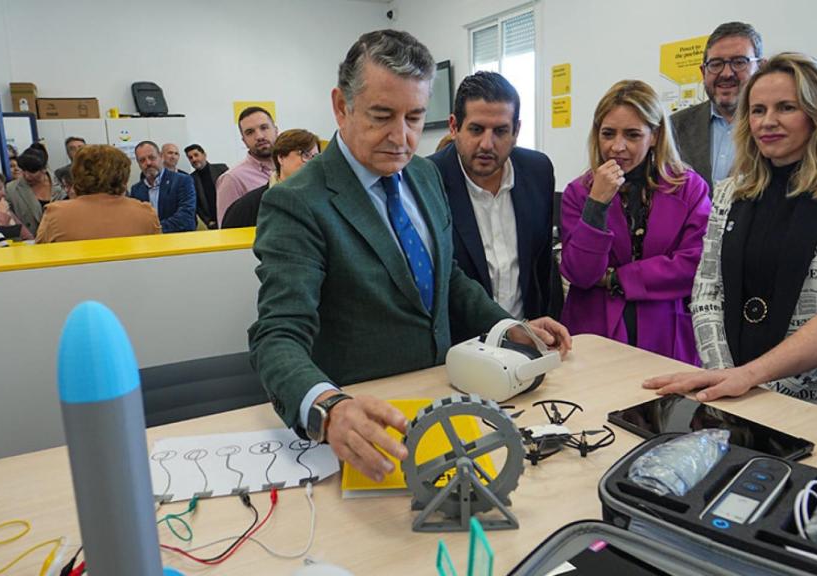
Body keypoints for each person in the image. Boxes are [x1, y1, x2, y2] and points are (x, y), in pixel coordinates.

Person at [248, 29, 571, 483]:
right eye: (382, 116)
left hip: (446, 404)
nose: (401, 138)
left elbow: (449, 279)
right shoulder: (299, 201)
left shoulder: (423, 175)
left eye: (416, 117)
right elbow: (277, 335)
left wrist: (505, 327)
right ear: (342, 106)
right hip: (363, 426)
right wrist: (329, 408)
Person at [647, 53, 817, 420]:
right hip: (734, 395)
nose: (768, 122)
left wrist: (761, 384)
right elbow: (707, 290)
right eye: (758, 110)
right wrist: (726, 374)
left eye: (786, 107)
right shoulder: (731, 191)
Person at [560, 80, 711, 364]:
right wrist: (597, 204)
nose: (617, 147)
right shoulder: (579, 192)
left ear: (654, 135)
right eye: (608, 134)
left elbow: (696, 264)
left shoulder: (690, 188)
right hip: (595, 329)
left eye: (632, 135)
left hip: (664, 330)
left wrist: (617, 278)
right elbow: (580, 274)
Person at [429, 71, 556, 339]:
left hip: (529, 337)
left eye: (500, 131)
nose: (487, 144)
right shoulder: (427, 178)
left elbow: (543, 264)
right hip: (459, 347)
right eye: (476, 129)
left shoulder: (538, 170)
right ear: (454, 127)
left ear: (517, 131)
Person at [671, 22, 765, 191]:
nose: (727, 73)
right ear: (703, 72)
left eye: (739, 62)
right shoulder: (674, 127)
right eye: (715, 64)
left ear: (761, 68)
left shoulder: (775, 127)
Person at [36, 145, 161, 244]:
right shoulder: (146, 214)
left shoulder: (55, 215)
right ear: (124, 176)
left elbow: (40, 261)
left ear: (76, 174)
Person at [222, 129, 320, 229]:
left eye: (315, 157)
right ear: (281, 158)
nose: (311, 162)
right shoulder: (247, 207)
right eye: (305, 155)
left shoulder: (322, 200)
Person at [216, 107, 278, 224]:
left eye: (264, 128)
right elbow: (227, 231)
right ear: (243, 140)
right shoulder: (232, 179)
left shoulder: (292, 169)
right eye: (250, 132)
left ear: (276, 130)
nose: (259, 136)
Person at [128, 141, 197, 233]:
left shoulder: (182, 181)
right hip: (149, 243)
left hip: (179, 240)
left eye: (152, 157)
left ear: (161, 156)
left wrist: (156, 229)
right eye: (142, 160)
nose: (148, 163)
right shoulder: (136, 190)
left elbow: (186, 216)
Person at [5, 144, 65, 236]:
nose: (26, 175)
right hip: (29, 243)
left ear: (44, 169)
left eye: (32, 171)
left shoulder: (63, 184)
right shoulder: (11, 189)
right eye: (23, 170)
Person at [185, 144, 229, 229]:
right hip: (213, 223)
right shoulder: (191, 179)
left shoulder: (221, 169)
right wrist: (208, 221)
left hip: (229, 216)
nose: (194, 159)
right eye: (190, 158)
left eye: (196, 155)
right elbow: (196, 205)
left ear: (204, 155)